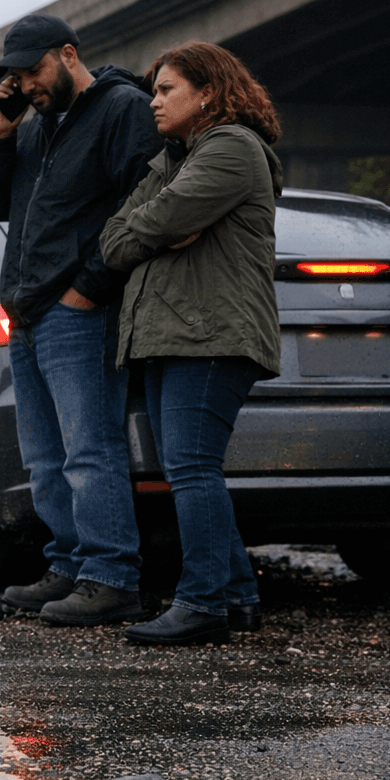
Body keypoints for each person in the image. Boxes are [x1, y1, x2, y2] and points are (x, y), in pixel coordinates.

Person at [0, 14, 162, 626]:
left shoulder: (121, 108)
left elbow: (146, 203)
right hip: (25, 313)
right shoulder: (32, 129)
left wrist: (91, 287)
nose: (26, 85)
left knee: (90, 449)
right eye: (18, 77)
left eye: (34, 71)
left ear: (68, 55)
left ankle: (112, 576)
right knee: (44, 456)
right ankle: (69, 564)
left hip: (79, 311)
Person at [99, 40, 282, 646]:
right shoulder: (175, 159)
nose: (153, 101)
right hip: (170, 335)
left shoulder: (231, 147)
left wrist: (156, 227)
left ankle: (202, 602)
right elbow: (114, 240)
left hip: (209, 335)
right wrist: (156, 228)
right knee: (189, 466)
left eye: (166, 89)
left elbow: (153, 224)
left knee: (191, 468)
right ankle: (237, 597)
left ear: (207, 92)